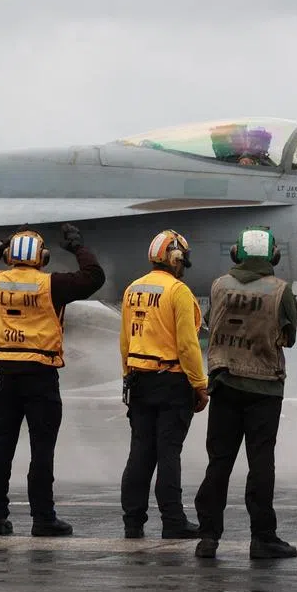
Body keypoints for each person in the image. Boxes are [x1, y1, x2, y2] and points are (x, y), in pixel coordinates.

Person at [0, 223, 105, 536]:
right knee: (41, 453)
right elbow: (94, 276)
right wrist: (78, 246)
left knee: (1, 451)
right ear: (43, 257)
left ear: (10, 255)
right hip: (41, 378)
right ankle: (43, 519)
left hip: (5, 378)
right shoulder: (52, 284)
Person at [193, 226, 297, 560]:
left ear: (236, 254)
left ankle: (208, 537)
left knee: (219, 462)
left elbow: (212, 323)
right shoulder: (281, 290)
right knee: (260, 463)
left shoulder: (219, 285)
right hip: (265, 387)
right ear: (273, 256)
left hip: (224, 383)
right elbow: (289, 337)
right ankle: (263, 537)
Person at [119, 229, 209, 539]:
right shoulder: (178, 291)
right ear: (176, 258)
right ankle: (173, 521)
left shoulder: (132, 289)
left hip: (139, 380)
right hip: (172, 382)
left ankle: (133, 522)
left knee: (140, 453)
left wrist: (126, 377)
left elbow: (125, 342)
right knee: (168, 453)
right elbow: (187, 345)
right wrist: (200, 384)